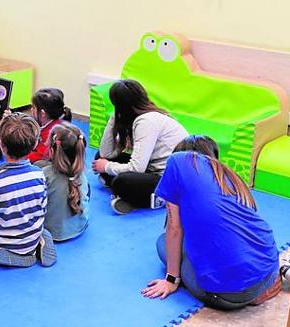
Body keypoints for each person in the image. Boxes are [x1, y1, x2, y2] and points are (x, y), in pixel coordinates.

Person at [141, 135, 281, 310]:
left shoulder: (177, 161)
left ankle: (244, 293)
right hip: (269, 270)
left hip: (229, 295)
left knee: (163, 243)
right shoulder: (228, 175)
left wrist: (171, 280)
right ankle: (267, 284)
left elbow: (174, 228)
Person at [0, 113, 56, 267]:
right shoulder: (39, 174)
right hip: (30, 236)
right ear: (34, 146)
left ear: (1, 144)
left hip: (2, 242)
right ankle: (37, 242)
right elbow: (41, 208)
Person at [91, 79, 188, 215]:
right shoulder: (135, 116)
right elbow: (106, 153)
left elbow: (137, 168)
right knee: (100, 158)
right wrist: (114, 117)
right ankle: (131, 195)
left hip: (170, 179)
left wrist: (106, 167)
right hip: (151, 168)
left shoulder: (146, 121)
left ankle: (160, 199)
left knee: (121, 181)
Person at [35, 122, 90, 241]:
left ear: (53, 150)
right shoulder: (81, 175)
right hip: (79, 228)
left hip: (50, 232)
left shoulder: (44, 175)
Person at [27, 88, 72, 163]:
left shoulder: (52, 133)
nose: (31, 110)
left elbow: (40, 156)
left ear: (42, 113)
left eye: (34, 107)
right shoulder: (51, 121)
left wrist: (20, 155)